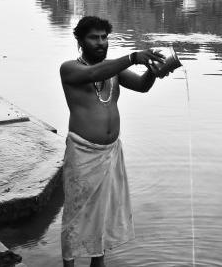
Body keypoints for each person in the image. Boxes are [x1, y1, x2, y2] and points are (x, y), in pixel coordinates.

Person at [59, 16, 167, 267]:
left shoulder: (113, 70)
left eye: (104, 37)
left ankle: (99, 264)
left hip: (111, 152)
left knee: (103, 215)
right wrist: (131, 57)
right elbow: (94, 72)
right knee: (76, 216)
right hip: (83, 152)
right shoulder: (69, 69)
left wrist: (152, 70)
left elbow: (141, 86)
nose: (100, 43)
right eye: (93, 38)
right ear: (80, 41)